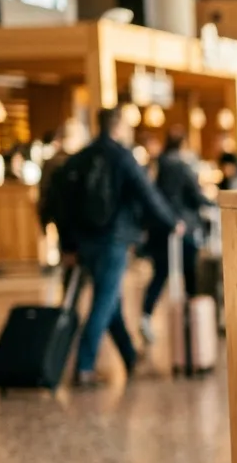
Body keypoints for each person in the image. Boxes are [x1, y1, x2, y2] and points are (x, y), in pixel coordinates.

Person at [62, 107, 179, 387]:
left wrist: (68, 243)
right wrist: (172, 222)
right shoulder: (123, 158)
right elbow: (147, 193)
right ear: (118, 127)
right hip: (113, 240)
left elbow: (63, 202)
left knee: (111, 300)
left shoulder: (81, 158)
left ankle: (128, 356)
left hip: (85, 241)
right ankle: (84, 366)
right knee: (104, 302)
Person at [140, 128, 209, 344]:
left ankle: (146, 315)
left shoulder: (157, 165)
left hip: (161, 229)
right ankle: (191, 323)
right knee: (190, 272)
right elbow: (196, 195)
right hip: (183, 229)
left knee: (160, 273)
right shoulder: (181, 166)